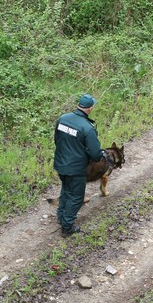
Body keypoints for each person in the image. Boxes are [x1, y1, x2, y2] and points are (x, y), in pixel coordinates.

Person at [53, 93, 104, 237]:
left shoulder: (63, 119)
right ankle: (67, 227)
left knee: (66, 190)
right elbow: (95, 154)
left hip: (60, 164)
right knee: (76, 197)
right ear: (89, 108)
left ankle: (61, 217)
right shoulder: (87, 128)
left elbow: (57, 140)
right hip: (75, 169)